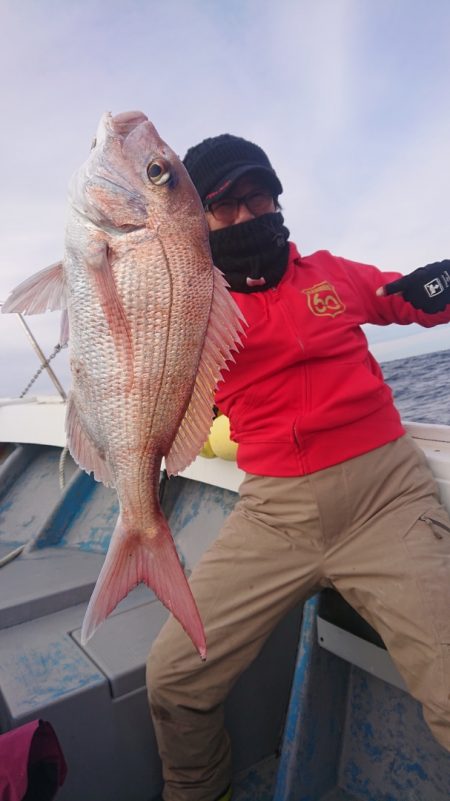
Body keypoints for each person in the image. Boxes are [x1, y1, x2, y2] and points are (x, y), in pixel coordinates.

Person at [147, 133, 450, 801]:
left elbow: (412, 297)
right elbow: (152, 385)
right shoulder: (193, 313)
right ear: (196, 221)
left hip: (388, 502)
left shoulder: (332, 274)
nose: (246, 215)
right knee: (172, 678)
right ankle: (200, 790)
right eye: (223, 206)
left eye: (258, 197)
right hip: (274, 517)